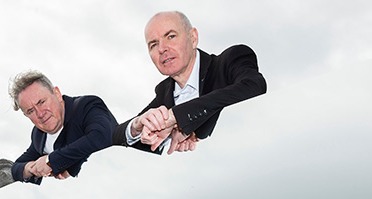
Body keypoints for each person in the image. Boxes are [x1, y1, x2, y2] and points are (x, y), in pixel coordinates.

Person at [113, 10, 266, 155]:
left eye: (171, 36)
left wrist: (178, 119)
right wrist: (137, 125)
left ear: (193, 38)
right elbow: (115, 136)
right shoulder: (163, 95)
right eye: (153, 44)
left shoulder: (229, 61)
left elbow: (254, 85)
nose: (162, 48)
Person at [8, 70, 117, 184]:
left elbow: (102, 136)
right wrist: (31, 168)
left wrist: (50, 162)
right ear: (26, 115)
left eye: (42, 102)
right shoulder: (38, 135)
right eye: (31, 111)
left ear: (57, 94)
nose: (40, 114)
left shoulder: (86, 106)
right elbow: (16, 168)